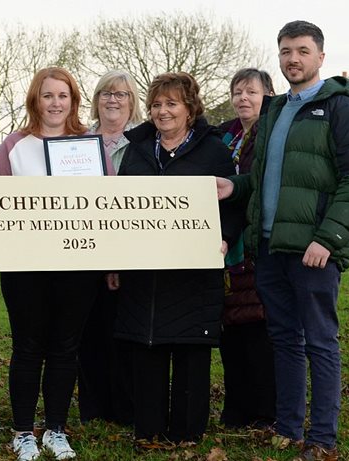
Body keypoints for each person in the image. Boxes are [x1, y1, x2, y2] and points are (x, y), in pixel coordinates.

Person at [216, 21, 349, 461]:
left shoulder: (342, 109)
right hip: (270, 248)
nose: (293, 59)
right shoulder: (275, 110)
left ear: (320, 57)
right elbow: (263, 178)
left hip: (314, 252)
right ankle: (287, 428)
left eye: (303, 51)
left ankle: (322, 437)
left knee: (320, 342)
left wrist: (328, 239)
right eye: (286, 51)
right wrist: (235, 187)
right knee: (284, 340)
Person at [113, 71, 243, 445]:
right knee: (147, 346)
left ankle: (188, 431)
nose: (162, 111)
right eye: (156, 104)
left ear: (190, 108)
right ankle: (149, 429)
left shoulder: (214, 150)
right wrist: (115, 260)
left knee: (191, 349)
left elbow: (233, 204)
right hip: (145, 272)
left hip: (194, 271)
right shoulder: (137, 150)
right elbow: (118, 207)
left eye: (171, 103)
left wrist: (224, 237)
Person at [0, 66, 99, 461]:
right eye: (48, 95)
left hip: (77, 263)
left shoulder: (90, 145)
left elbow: (106, 204)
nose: (55, 103)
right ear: (35, 99)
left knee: (65, 348)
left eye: (63, 96)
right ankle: (23, 432)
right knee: (28, 346)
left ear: (73, 101)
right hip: (25, 265)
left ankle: (56, 428)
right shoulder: (13, 145)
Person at [77, 69, 142, 426]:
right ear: (96, 99)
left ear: (132, 102)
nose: (112, 100)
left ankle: (123, 406)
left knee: (121, 330)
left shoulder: (142, 143)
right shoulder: (77, 142)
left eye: (121, 94)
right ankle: (92, 406)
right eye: (106, 93)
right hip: (82, 250)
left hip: (125, 250)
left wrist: (117, 259)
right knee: (87, 330)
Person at [217, 68, 277, 430]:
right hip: (227, 242)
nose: (243, 98)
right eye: (237, 92)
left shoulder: (273, 132)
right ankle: (236, 409)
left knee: (259, 328)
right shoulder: (225, 134)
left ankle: (267, 410)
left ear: (268, 95)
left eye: (251, 92)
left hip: (257, 242)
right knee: (231, 327)